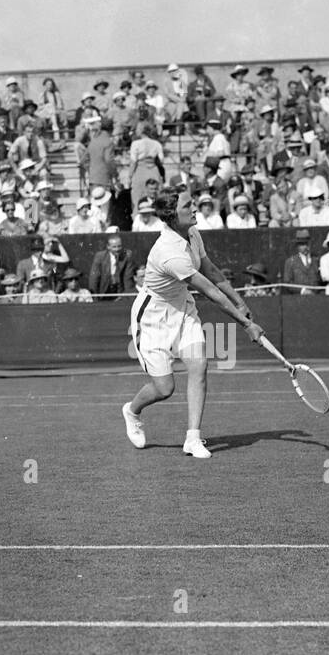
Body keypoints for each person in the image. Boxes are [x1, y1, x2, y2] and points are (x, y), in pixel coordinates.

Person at [122, 195, 263, 459]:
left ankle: (193, 438)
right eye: (187, 206)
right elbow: (209, 291)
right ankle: (132, 411)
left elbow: (211, 270)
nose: (194, 208)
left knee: (199, 365)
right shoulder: (168, 251)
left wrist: (240, 301)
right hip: (153, 318)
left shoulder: (193, 233)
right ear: (172, 215)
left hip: (184, 309)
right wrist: (245, 324)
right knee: (165, 388)